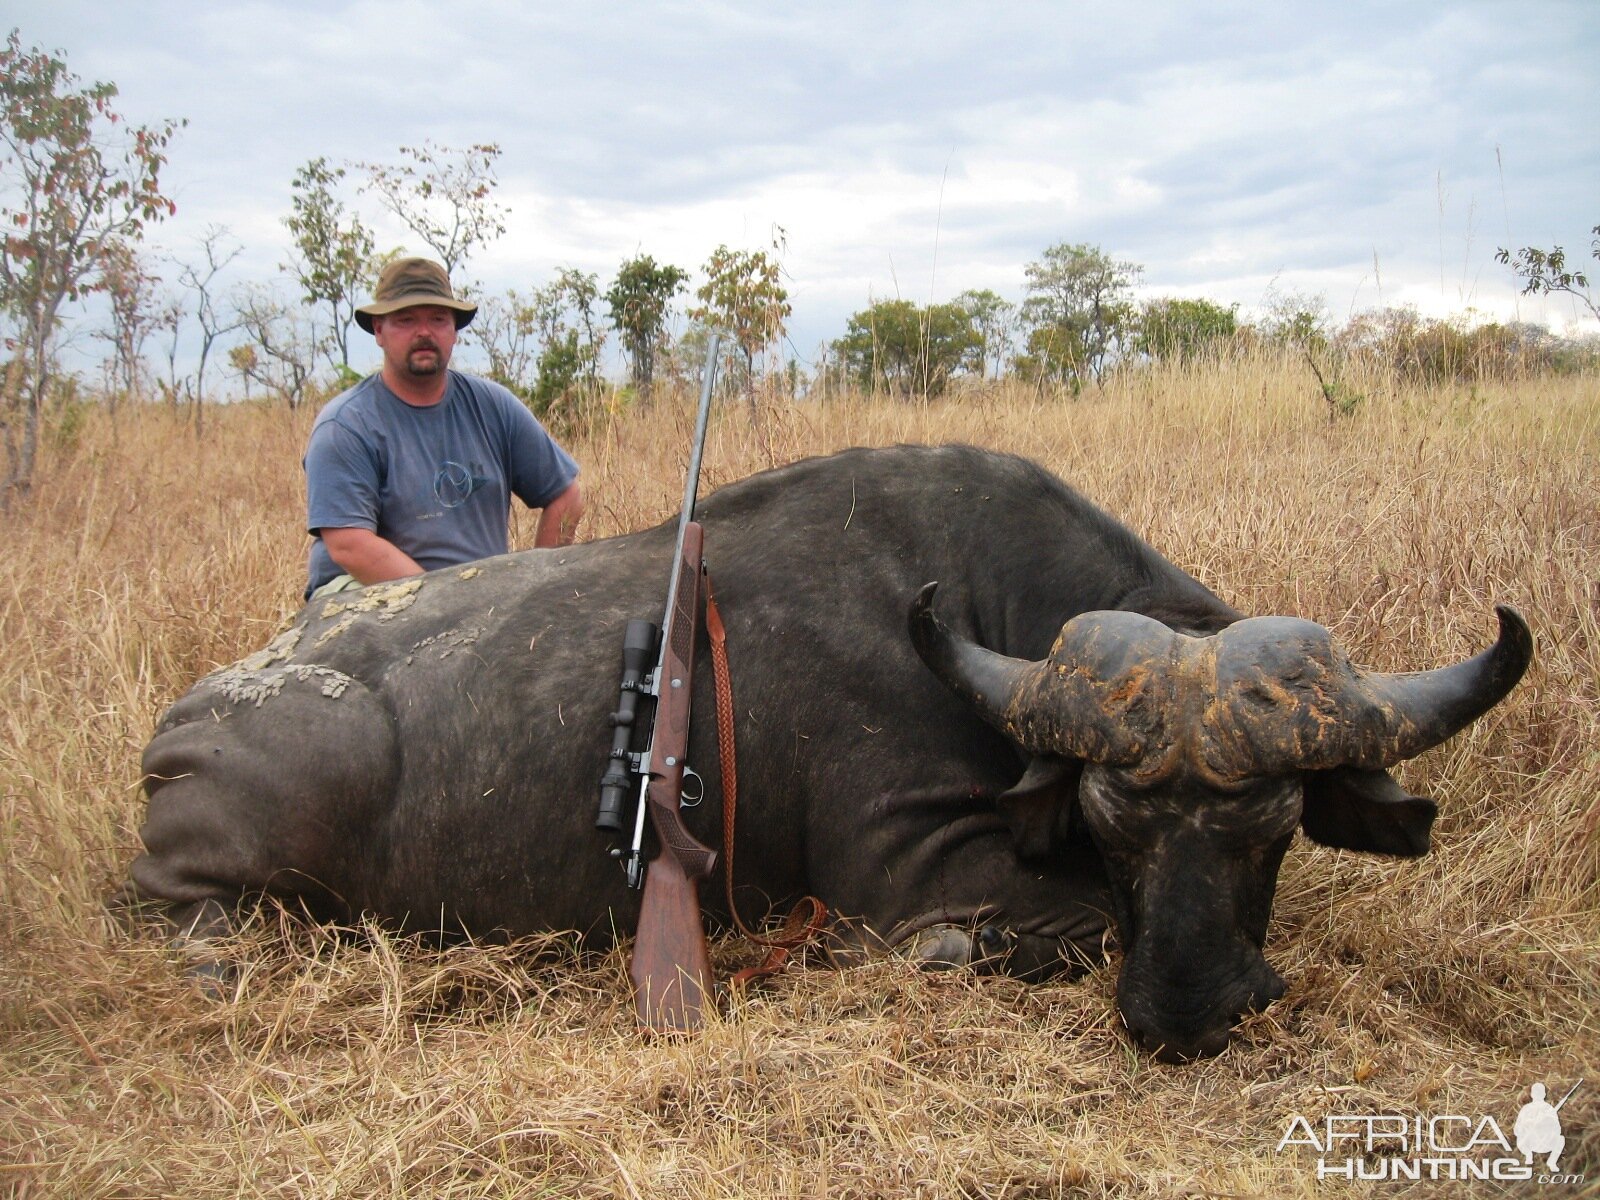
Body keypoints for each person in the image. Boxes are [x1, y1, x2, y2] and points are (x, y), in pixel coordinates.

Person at [303, 257, 584, 600]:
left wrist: (537, 584)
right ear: (379, 330)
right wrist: (448, 604)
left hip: (478, 600)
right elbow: (349, 546)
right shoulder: (346, 424)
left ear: (454, 331)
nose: (424, 332)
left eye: (437, 319)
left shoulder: (494, 406)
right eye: (406, 320)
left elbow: (566, 496)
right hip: (369, 595)